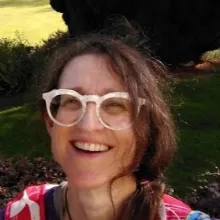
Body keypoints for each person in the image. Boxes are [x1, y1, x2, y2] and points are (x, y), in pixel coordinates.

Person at [0, 33, 211, 220]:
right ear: (50, 122)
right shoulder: (21, 213)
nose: (88, 125)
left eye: (114, 104)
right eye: (72, 100)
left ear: (146, 128)